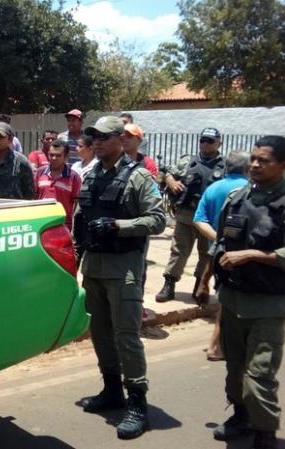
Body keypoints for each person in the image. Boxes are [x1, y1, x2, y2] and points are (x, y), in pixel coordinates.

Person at [73, 116, 165, 440]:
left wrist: (118, 226)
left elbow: (158, 220)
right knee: (99, 332)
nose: (96, 142)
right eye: (93, 137)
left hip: (124, 268)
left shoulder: (138, 177)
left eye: (103, 137)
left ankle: (137, 402)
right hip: (94, 267)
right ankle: (112, 390)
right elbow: (81, 217)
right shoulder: (91, 175)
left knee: (126, 335)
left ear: (120, 139)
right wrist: (75, 252)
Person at [211, 136, 285, 449]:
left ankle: (265, 435)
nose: (254, 165)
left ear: (282, 165)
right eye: (253, 159)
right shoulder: (237, 197)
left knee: (258, 378)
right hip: (233, 300)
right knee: (234, 372)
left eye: (263, 160)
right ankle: (241, 416)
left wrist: (254, 255)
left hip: (268, 305)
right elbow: (220, 243)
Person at [156, 127, 225, 303]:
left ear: (219, 143)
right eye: (203, 140)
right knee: (178, 251)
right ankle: (169, 284)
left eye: (210, 141)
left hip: (210, 219)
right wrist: (171, 181)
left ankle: (199, 285)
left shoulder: (224, 165)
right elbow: (166, 173)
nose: (205, 144)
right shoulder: (187, 161)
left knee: (206, 253)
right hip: (186, 215)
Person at [192, 151, 249, 362]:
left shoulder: (213, 188)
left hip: (216, 254)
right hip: (241, 256)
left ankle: (222, 345)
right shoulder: (249, 189)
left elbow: (199, 219)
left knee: (226, 299)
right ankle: (216, 347)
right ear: (247, 168)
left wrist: (218, 240)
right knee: (228, 301)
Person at [34, 140, 81, 230]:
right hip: (41, 223)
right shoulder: (40, 173)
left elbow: (77, 205)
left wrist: (74, 229)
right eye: (51, 155)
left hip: (63, 225)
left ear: (66, 157)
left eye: (58, 155)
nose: (54, 158)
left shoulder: (73, 177)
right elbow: (34, 198)